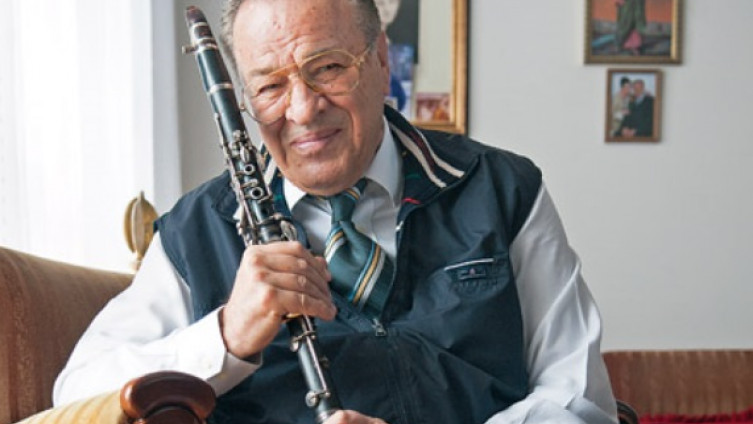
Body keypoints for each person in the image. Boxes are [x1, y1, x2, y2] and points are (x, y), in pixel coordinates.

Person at [54, 0, 618, 423]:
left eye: (327, 68)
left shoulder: (502, 189)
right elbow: (76, 395)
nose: (303, 110)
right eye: (269, 87)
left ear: (380, 59)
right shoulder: (196, 229)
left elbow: (579, 397)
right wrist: (226, 336)